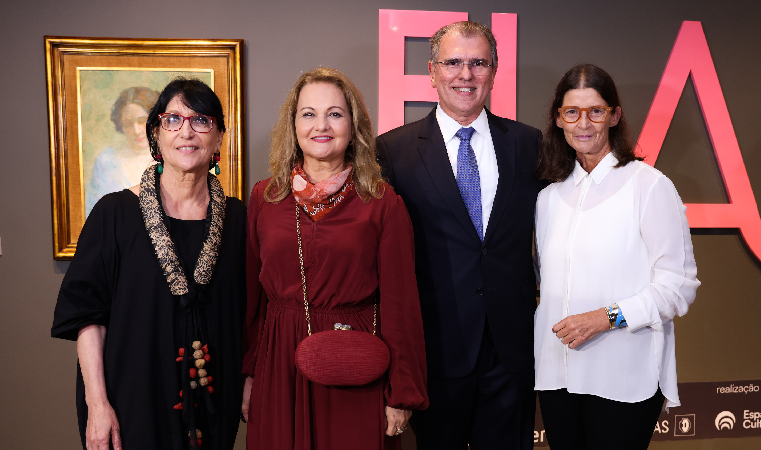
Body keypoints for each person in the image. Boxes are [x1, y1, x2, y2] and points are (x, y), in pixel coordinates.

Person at [376, 21, 545, 449]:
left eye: (477, 63)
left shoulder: (529, 144)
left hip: (512, 352)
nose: (465, 75)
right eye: (453, 63)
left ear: (493, 70)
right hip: (435, 351)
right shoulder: (393, 151)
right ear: (432, 72)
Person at [52, 78, 245, 450]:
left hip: (213, 406)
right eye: (173, 119)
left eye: (201, 120)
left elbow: (256, 316)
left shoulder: (238, 220)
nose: (186, 132)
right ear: (156, 133)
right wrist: (98, 404)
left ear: (219, 136)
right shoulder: (114, 213)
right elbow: (88, 319)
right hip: (131, 404)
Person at [241, 67, 428, 450]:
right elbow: (251, 301)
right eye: (308, 113)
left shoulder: (382, 203)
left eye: (335, 114)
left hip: (355, 362)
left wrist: (401, 391)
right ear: (293, 125)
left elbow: (401, 305)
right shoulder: (266, 197)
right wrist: (248, 373)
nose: (320, 125)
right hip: (279, 363)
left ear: (353, 125)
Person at [534, 64, 701, 449]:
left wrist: (605, 318)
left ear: (615, 116)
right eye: (572, 112)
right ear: (558, 119)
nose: (584, 123)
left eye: (596, 111)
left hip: (625, 375)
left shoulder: (650, 186)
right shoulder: (548, 198)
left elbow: (679, 286)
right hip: (557, 377)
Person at [85, 86, 158, 217]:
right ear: (120, 126)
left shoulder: (169, 158)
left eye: (142, 121)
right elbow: (93, 214)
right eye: (128, 124)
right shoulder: (106, 161)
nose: (136, 131)